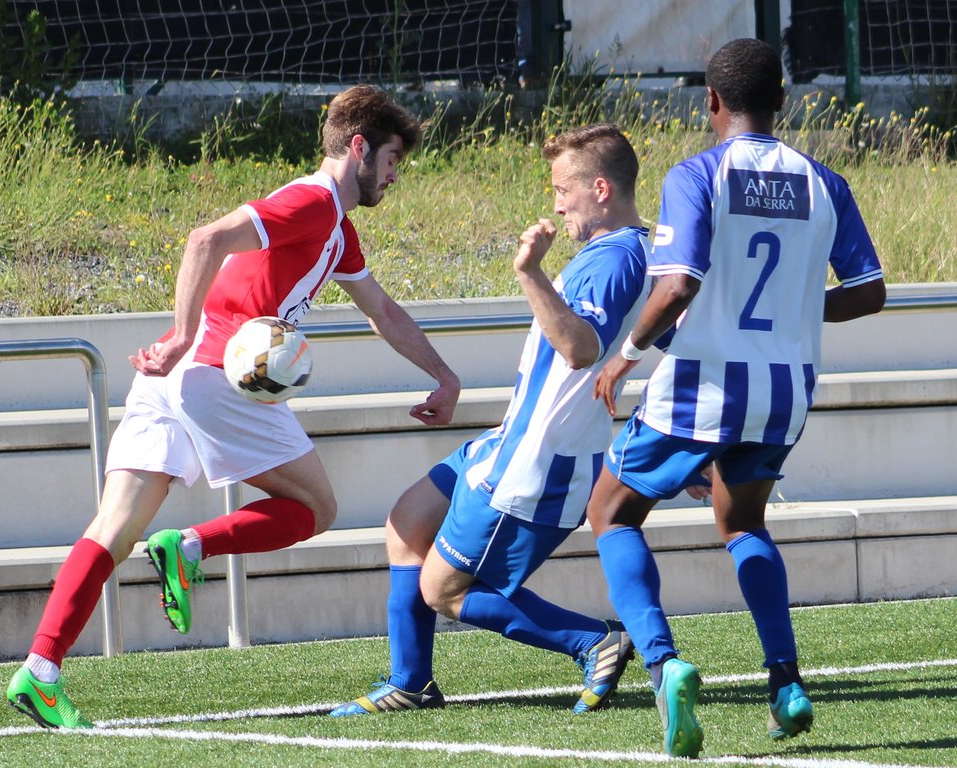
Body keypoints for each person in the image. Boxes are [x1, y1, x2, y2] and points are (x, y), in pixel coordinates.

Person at [5, 84, 461, 729]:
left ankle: (40, 670)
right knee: (317, 509)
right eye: (391, 159)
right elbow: (204, 240)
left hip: (173, 379)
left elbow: (382, 311)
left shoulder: (338, 230)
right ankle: (190, 547)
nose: (394, 175)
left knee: (113, 528)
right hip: (216, 374)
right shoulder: (313, 201)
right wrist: (182, 334)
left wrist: (443, 375)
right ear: (358, 147)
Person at [587, 38, 887, 758]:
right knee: (743, 522)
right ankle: (786, 684)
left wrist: (625, 356)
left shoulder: (697, 174)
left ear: (711, 102)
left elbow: (679, 284)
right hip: (784, 390)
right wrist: (792, 312)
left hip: (707, 381)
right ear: (782, 100)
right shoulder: (824, 181)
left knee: (610, 512)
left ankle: (663, 666)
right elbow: (869, 292)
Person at [331, 123, 671, 718]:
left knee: (444, 589)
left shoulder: (616, 258)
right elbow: (667, 343)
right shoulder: (634, 252)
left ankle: (593, 642)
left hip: (537, 460)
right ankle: (411, 682)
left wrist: (529, 272)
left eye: (563, 189)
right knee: (406, 523)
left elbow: (580, 348)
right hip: (513, 442)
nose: (557, 204)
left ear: (600, 188)